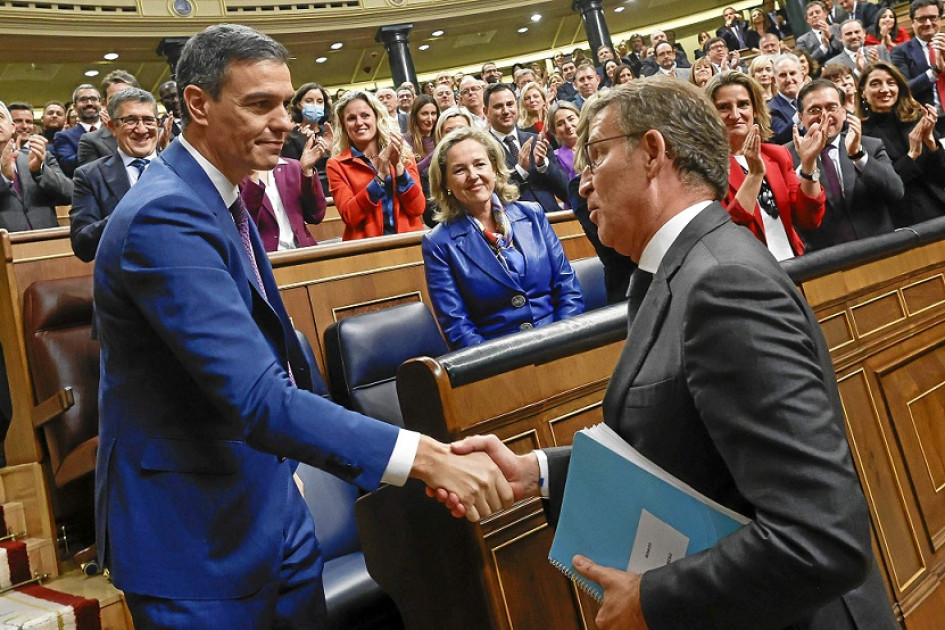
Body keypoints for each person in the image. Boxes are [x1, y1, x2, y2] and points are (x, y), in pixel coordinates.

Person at [437, 76, 898, 630]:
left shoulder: (723, 284)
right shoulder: (672, 271)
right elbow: (683, 446)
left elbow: (821, 537)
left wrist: (653, 599)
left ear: (653, 152)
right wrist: (536, 472)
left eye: (598, 156)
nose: (582, 183)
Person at [93, 24, 512, 629]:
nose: (285, 121)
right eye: (259, 104)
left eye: (286, 102)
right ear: (197, 105)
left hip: (272, 508)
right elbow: (259, 397)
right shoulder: (165, 215)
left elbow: (286, 358)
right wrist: (422, 459)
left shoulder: (225, 196)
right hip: (196, 538)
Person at [421, 127, 583, 349]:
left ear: (495, 168)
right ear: (446, 183)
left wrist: (562, 344)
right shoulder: (439, 243)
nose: (473, 175)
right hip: (499, 365)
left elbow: (567, 288)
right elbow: (458, 327)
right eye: (459, 170)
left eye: (480, 164)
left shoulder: (532, 214)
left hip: (562, 345)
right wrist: (501, 368)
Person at [707, 71, 826, 260]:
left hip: (795, 265)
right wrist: (754, 176)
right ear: (710, 115)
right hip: (751, 274)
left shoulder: (776, 155)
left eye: (743, 104)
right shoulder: (705, 169)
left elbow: (809, 219)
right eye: (724, 107)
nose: (735, 114)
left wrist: (809, 165)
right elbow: (728, 234)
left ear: (755, 110)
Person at [787, 79, 903, 250]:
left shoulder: (870, 145)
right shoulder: (785, 157)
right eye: (814, 110)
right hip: (826, 262)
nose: (824, 116)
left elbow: (896, 191)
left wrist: (858, 155)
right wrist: (807, 163)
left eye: (831, 108)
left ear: (843, 112)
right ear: (801, 118)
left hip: (881, 251)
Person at [70, 88, 160, 261]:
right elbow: (82, 246)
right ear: (112, 127)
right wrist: (131, 212)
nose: (141, 130)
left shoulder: (180, 169)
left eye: (149, 120)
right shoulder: (90, 176)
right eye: (130, 121)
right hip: (125, 281)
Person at [326, 90, 426, 240]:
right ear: (344, 125)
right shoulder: (336, 164)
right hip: (366, 250)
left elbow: (417, 208)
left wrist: (397, 165)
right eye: (351, 118)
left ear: (377, 117)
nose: (359, 123)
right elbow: (350, 215)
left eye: (365, 115)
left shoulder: (402, 152)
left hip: (408, 242)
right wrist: (380, 177)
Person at [858, 61, 945, 225]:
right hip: (903, 220)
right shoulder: (860, 135)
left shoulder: (917, 118)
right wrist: (912, 155)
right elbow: (884, 187)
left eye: (891, 83)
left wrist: (931, 143)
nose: (885, 90)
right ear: (863, 92)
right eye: (875, 84)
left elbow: (941, 176)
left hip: (939, 205)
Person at [484, 82, 569, 214]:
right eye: (498, 106)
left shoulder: (537, 140)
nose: (506, 111)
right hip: (515, 223)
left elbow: (566, 190)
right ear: (486, 111)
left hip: (554, 218)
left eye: (510, 104)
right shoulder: (483, 149)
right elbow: (491, 195)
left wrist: (544, 165)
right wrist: (520, 171)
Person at [239, 130, 328, 252]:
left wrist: (306, 171)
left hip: (305, 253)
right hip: (267, 260)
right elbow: (244, 228)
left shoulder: (292, 166)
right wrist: (253, 179)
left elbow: (316, 215)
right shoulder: (236, 175)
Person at [0, 100, 73, 232]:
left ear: (12, 127)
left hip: (48, 245)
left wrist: (39, 172)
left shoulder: (39, 156)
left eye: (0, 117)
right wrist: (3, 178)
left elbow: (69, 193)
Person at [890, 0, 945, 134]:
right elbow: (904, 88)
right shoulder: (900, 51)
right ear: (912, 22)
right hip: (925, 121)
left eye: (933, 17)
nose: (928, 23)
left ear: (940, 19)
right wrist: (935, 72)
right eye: (922, 19)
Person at [795, 1, 843, 65]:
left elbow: (845, 48)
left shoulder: (837, 28)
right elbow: (806, 62)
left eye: (817, 12)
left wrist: (831, 36)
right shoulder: (802, 41)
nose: (814, 15)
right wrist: (823, 47)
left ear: (825, 14)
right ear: (807, 20)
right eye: (811, 14)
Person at [547, 100, 581, 184]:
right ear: (554, 131)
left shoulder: (595, 145)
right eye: (560, 124)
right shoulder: (555, 158)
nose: (568, 126)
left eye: (571, 119)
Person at [404, 94, 439, 167]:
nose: (430, 119)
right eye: (424, 114)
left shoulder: (441, 137)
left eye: (433, 113)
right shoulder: (405, 141)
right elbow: (411, 171)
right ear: (415, 116)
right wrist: (436, 154)